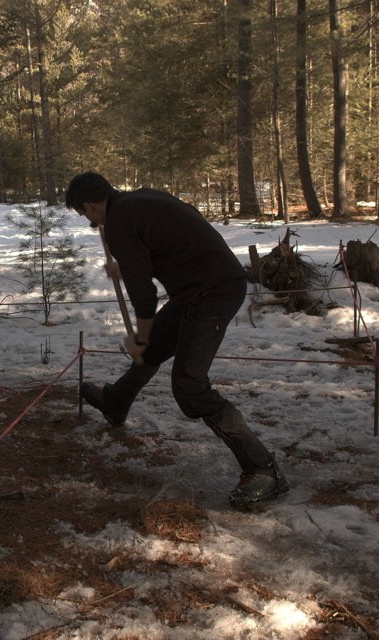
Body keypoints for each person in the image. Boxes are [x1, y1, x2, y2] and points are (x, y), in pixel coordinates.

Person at [65, 171, 288, 509]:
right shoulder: (140, 199)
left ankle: (263, 468)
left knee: (189, 384)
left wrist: (139, 336)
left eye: (85, 214)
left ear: (90, 206)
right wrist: (127, 265)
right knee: (154, 348)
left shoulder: (119, 220)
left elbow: (143, 294)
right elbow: (170, 240)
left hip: (214, 292)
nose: (89, 221)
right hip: (198, 287)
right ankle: (116, 402)